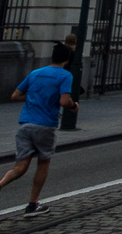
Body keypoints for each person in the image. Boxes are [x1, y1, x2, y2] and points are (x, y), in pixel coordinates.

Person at [0, 41, 77, 218]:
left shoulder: (36, 73)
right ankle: (32, 204)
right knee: (43, 162)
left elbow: (15, 95)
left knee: (19, 167)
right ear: (66, 59)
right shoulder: (65, 76)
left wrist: (34, 98)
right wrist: (74, 106)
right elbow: (64, 101)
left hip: (25, 123)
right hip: (45, 125)